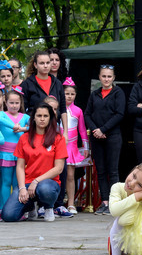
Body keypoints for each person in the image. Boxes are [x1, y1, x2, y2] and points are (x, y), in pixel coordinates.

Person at [1, 103, 67, 222]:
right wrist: (22, 188)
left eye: (45, 116)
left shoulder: (58, 138)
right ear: (34, 118)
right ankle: (30, 206)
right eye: (39, 115)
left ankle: (48, 207)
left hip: (49, 184)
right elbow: (20, 166)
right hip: (27, 183)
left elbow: (59, 168)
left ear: (50, 118)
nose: (42, 119)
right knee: (8, 216)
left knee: (45, 189)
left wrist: (36, 181)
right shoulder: (24, 138)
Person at [85, 65, 126, 216]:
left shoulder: (118, 93)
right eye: (104, 76)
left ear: (113, 78)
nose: (106, 79)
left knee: (112, 170)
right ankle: (104, 202)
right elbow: (87, 114)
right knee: (101, 171)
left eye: (109, 76)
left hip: (112, 136)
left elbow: (120, 114)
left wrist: (103, 129)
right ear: (99, 77)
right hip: (96, 137)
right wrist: (95, 130)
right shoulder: (94, 94)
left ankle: (114, 203)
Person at [21, 51, 68, 137]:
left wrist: (65, 132)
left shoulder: (57, 83)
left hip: (54, 129)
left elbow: (63, 109)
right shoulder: (27, 84)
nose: (45, 66)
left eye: (48, 62)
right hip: (33, 129)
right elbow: (22, 109)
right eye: (42, 63)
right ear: (35, 65)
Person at [63, 78, 89, 215]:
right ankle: (55, 204)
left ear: (76, 95)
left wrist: (86, 147)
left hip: (71, 146)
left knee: (70, 176)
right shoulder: (57, 109)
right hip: (58, 145)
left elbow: (82, 130)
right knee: (57, 175)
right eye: (67, 93)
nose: (69, 96)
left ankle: (71, 203)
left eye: (72, 94)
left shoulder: (78, 110)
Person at [0, 89, 29, 211]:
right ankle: (3, 209)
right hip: (5, 154)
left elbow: (34, 125)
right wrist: (14, 126)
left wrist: (23, 129)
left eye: (17, 103)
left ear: (21, 103)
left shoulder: (25, 117)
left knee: (17, 183)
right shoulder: (2, 114)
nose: (14, 105)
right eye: (11, 103)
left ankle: (15, 209)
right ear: (6, 102)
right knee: (5, 182)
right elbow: (1, 120)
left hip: (20, 155)